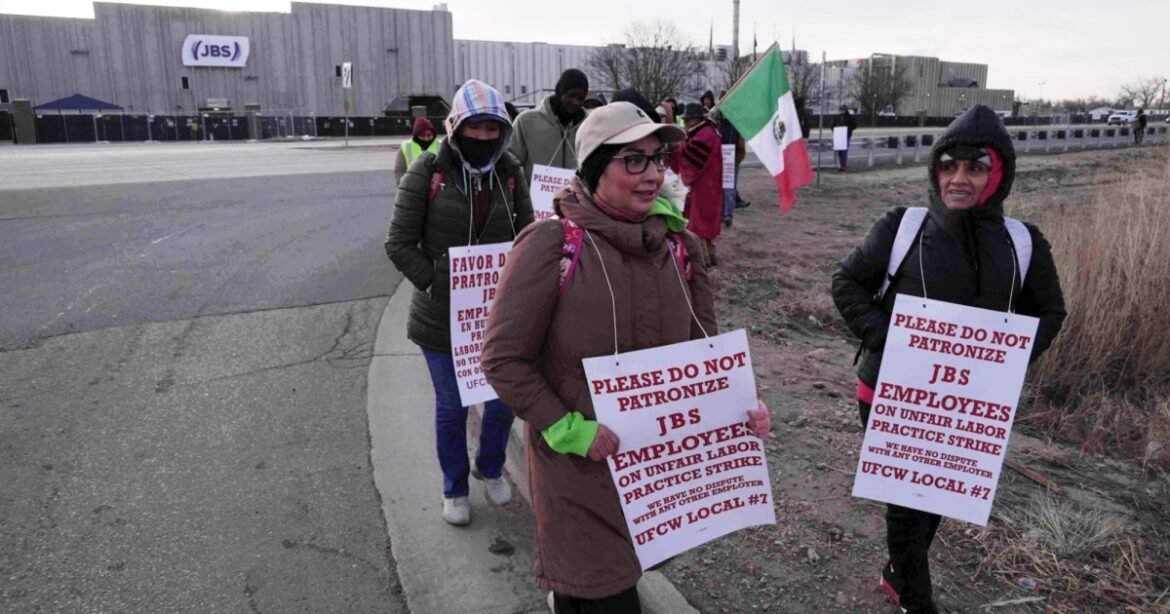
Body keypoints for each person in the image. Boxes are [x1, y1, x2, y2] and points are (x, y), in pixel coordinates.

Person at [481, 101, 771, 613]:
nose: (653, 174)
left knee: (620, 577)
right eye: (632, 160)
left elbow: (706, 350)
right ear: (595, 168)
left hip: (651, 478)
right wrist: (571, 429)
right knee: (600, 591)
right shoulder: (552, 245)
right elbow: (504, 359)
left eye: (658, 159)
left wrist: (738, 408)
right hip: (577, 472)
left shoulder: (679, 246)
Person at [831, 104, 1067, 614]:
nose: (959, 178)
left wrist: (1005, 362)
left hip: (967, 406)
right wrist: (885, 339)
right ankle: (916, 598)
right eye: (948, 165)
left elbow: (1049, 311)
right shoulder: (902, 226)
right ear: (935, 167)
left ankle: (899, 571)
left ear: (998, 173)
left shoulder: (1023, 243)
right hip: (889, 392)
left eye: (975, 167)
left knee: (939, 493)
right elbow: (847, 283)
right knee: (905, 501)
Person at [384, 79, 536, 526]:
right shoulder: (425, 173)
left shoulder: (511, 173)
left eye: (493, 129)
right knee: (451, 407)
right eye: (475, 129)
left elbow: (526, 236)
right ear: (457, 127)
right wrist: (438, 283)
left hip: (496, 318)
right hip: (440, 319)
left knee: (503, 400)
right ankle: (454, 486)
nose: (483, 139)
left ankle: (489, 465)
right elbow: (398, 243)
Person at [510, 68, 590, 182]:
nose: (575, 102)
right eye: (571, 95)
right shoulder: (526, 122)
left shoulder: (588, 126)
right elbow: (511, 164)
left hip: (574, 198)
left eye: (580, 98)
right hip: (533, 198)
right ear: (560, 92)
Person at [672, 102, 724, 266]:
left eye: (688, 120)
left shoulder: (704, 135)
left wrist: (677, 148)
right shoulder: (708, 131)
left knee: (699, 223)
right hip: (710, 184)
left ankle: (703, 259)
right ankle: (711, 254)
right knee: (706, 224)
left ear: (697, 119)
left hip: (703, 186)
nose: (686, 123)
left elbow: (692, 158)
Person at [394, 117, 440, 183]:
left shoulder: (441, 145)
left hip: (436, 188)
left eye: (429, 135)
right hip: (412, 188)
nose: (426, 139)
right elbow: (399, 171)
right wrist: (403, 186)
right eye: (422, 136)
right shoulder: (405, 147)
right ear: (416, 135)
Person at [832, 104, 857, 171]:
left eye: (843, 110)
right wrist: (835, 130)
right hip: (839, 136)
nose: (841, 111)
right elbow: (832, 125)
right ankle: (841, 165)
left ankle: (844, 165)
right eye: (841, 110)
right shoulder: (837, 117)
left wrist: (848, 129)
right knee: (840, 152)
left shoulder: (849, 117)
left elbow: (854, 125)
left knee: (844, 151)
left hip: (846, 135)